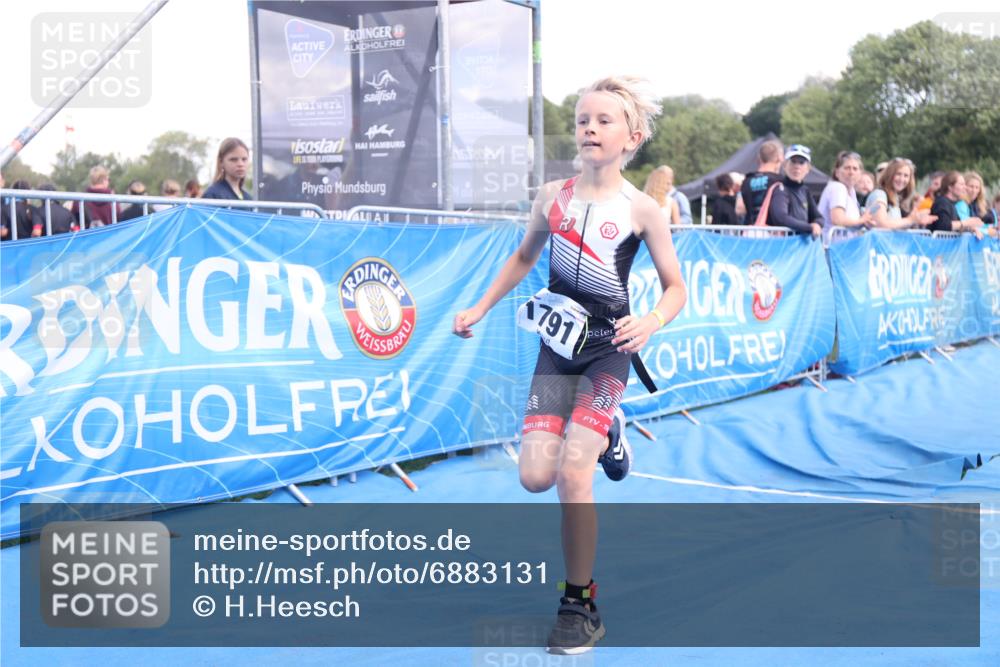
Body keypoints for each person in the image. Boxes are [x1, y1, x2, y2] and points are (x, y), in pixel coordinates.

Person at [452, 75, 686, 655]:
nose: (588, 127)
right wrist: (479, 306)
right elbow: (523, 255)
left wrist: (652, 320)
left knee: (571, 476)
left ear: (632, 137)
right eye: (583, 118)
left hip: (609, 352)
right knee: (535, 476)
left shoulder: (643, 210)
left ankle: (579, 605)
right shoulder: (550, 197)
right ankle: (610, 429)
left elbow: (675, 287)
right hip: (557, 351)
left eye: (604, 120)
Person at [766, 144, 822, 237]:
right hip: (783, 245)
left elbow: (819, 217)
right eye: (793, 161)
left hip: (799, 246)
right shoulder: (780, 189)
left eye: (801, 162)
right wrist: (809, 228)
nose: (797, 166)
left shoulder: (805, 190)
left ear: (808, 168)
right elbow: (781, 218)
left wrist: (817, 224)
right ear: (784, 165)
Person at [817, 151, 871, 244]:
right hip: (832, 248)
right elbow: (838, 219)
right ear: (837, 172)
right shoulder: (838, 188)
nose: (851, 172)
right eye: (847, 168)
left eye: (855, 169)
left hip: (843, 248)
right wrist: (862, 220)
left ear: (860, 173)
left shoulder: (851, 191)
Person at [866, 158, 935, 229]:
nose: (902, 179)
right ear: (889, 174)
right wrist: (910, 220)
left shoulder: (895, 197)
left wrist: (916, 221)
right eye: (898, 174)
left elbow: (895, 224)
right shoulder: (879, 194)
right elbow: (881, 224)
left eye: (906, 176)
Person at [741, 139, 783, 225]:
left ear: (759, 158)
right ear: (780, 158)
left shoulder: (746, 180)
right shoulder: (780, 181)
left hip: (750, 231)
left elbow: (741, 208)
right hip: (774, 233)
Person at [929, 171, 983, 236]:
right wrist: (966, 223)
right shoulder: (942, 203)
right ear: (950, 187)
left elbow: (957, 226)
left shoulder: (951, 204)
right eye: (961, 184)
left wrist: (972, 229)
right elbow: (943, 226)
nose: (965, 187)